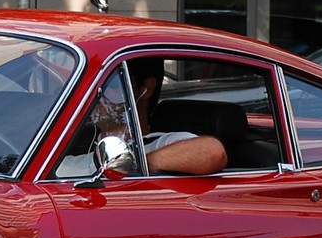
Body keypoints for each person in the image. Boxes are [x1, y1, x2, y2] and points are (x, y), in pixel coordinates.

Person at [56, 57, 227, 177]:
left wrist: (134, 164)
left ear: (146, 88)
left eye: (111, 85)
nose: (97, 95)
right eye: (93, 86)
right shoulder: (72, 141)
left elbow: (212, 152)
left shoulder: (160, 143)